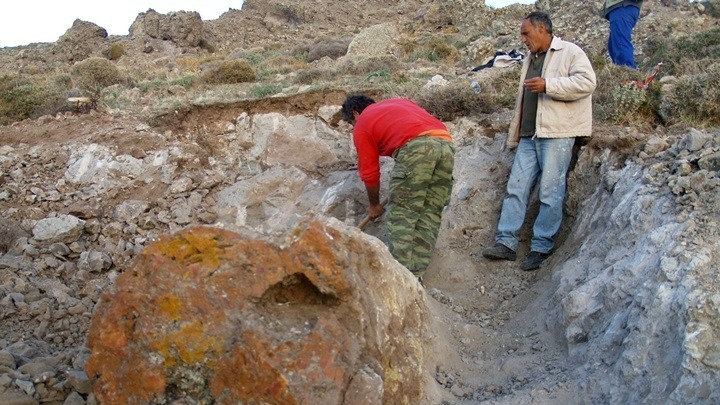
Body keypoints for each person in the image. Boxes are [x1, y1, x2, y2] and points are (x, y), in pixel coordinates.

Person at [481, 11, 596, 271]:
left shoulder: (569, 52)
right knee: (516, 188)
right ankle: (506, 243)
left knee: (550, 191)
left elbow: (588, 82)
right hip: (528, 135)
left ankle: (542, 247)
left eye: (526, 33)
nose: (523, 39)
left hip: (556, 133)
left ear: (542, 29)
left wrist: (549, 85)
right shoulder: (530, 58)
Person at [341, 95, 454, 280]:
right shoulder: (399, 103)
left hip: (417, 148)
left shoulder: (363, 122)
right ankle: (416, 277)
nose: (354, 127)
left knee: (401, 216)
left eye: (351, 123)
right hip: (446, 145)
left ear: (355, 113)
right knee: (429, 214)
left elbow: (369, 172)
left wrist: (375, 205)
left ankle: (403, 280)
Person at [604, 0, 643, 69]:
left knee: (620, 44)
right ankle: (625, 72)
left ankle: (628, 72)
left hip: (622, 7)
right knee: (614, 46)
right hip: (623, 8)